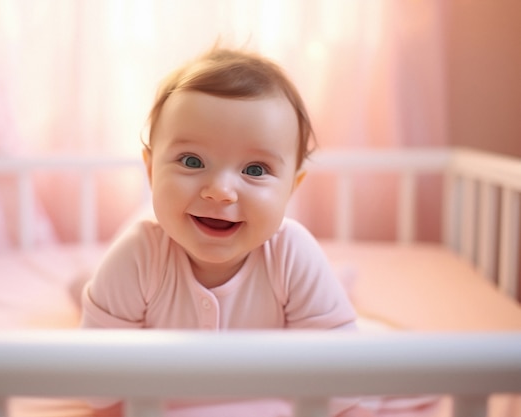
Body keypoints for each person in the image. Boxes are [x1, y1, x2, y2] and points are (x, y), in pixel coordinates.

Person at [80, 46, 364, 416]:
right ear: (150, 171)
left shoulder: (292, 254)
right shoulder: (138, 255)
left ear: (292, 187)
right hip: (129, 272)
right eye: (192, 161)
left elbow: (342, 383)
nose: (220, 190)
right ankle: (83, 287)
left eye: (256, 170)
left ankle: (336, 286)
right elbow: (95, 387)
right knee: (98, 293)